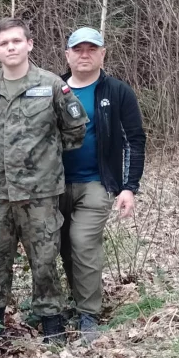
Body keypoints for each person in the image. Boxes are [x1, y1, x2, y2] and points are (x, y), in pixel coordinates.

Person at [0, 18, 88, 345]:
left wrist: (45, 159)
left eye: (17, 41)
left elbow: (75, 130)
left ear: (29, 44)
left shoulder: (51, 85)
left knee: (44, 258)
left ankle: (51, 323)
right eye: (4, 44)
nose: (11, 47)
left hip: (41, 193)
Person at [60, 27, 146, 341]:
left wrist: (128, 187)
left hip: (96, 183)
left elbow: (134, 140)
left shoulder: (117, 92)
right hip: (52, 186)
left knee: (83, 243)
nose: (85, 55)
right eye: (78, 49)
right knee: (64, 247)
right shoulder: (53, 89)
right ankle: (75, 300)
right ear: (67, 54)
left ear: (102, 54)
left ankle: (88, 317)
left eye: (91, 49)